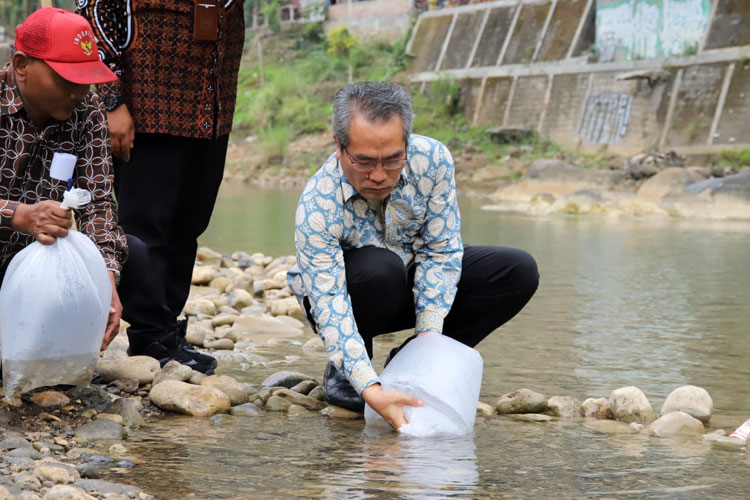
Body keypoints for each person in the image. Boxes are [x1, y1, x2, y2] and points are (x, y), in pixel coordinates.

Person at [287, 81, 539, 430]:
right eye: (364, 161)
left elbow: (441, 250)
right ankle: (347, 372)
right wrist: (369, 388)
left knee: (516, 270)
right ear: (339, 147)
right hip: (355, 294)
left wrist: (428, 337)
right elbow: (329, 301)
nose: (378, 176)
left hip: (410, 278)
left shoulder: (433, 161)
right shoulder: (318, 205)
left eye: (392, 159)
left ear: (407, 141)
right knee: (381, 268)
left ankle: (413, 359)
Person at [78, 0, 246, 373]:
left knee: (190, 224)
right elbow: (93, 16)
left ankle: (167, 327)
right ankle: (150, 333)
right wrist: (111, 101)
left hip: (212, 104)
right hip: (147, 107)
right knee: (145, 226)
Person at [0, 7, 127, 349]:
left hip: (35, 266)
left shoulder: (88, 112)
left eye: (85, 80)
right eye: (67, 79)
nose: (79, 91)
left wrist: (106, 280)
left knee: (138, 257)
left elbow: (98, 202)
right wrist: (17, 214)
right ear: (21, 66)